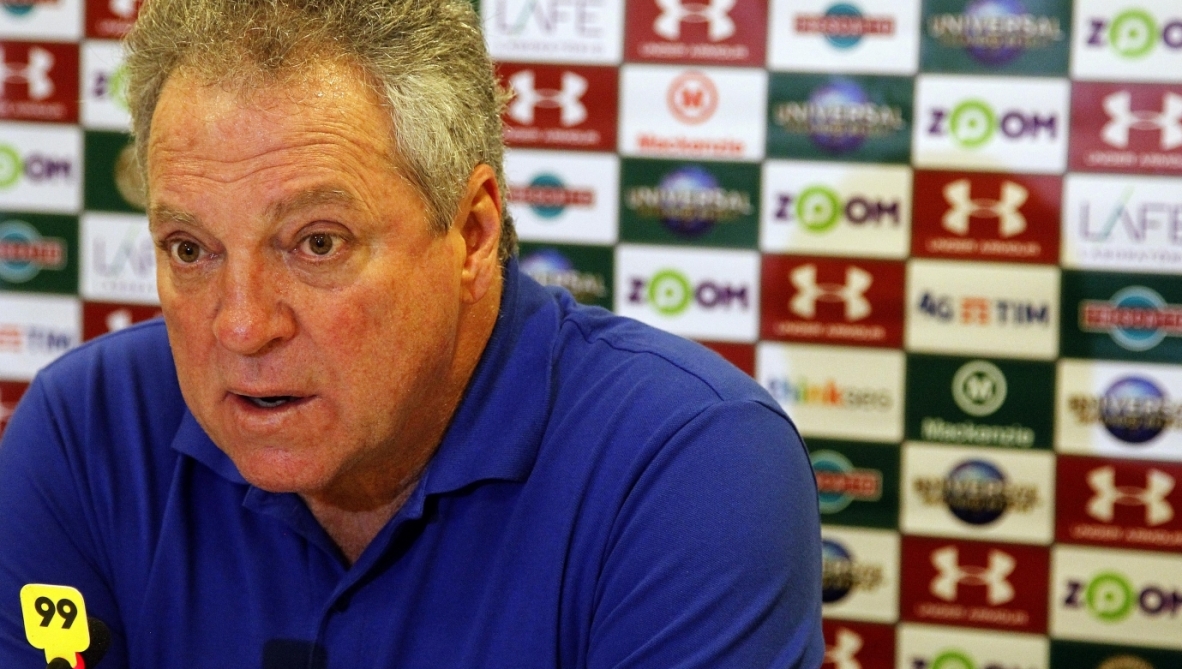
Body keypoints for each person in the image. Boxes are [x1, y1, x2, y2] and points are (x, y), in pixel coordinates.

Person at [0, 1, 824, 667]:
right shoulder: (84, 429)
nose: (243, 324)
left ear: (470, 233)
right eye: (190, 249)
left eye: (316, 242)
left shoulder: (690, 461)